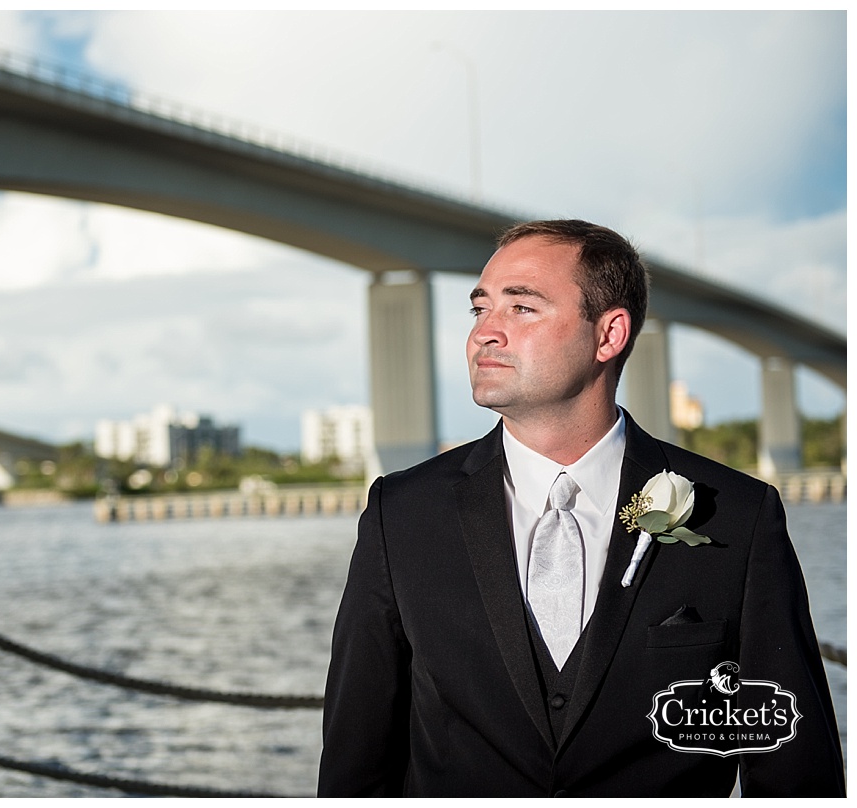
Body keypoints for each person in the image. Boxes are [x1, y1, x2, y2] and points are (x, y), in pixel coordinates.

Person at [318, 219, 844, 797]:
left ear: (608, 334)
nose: (484, 334)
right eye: (480, 309)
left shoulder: (739, 516)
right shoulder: (402, 514)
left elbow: (794, 770)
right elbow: (356, 762)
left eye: (521, 309)